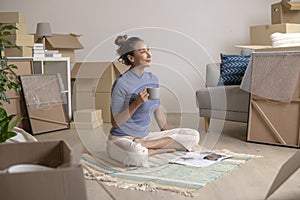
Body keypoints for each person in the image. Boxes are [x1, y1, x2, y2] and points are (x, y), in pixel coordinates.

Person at [106, 35, 200, 167]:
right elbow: (115, 123)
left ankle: (148, 147)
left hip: (145, 138)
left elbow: (157, 108)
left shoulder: (152, 79)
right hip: (122, 139)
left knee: (193, 136)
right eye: (143, 51)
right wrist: (136, 104)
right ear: (131, 58)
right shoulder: (121, 83)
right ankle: (153, 150)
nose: (149, 54)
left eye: (148, 49)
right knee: (137, 154)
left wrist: (165, 134)